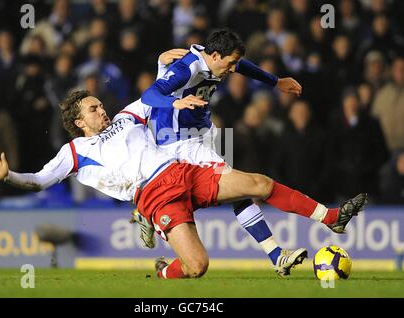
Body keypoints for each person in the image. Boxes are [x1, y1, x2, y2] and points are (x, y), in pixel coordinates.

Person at [0, 90, 367, 279]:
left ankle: (329, 217)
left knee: (258, 183)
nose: (102, 109)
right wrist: (7, 177)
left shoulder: (128, 116)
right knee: (197, 266)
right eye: (94, 108)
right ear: (79, 121)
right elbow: (38, 181)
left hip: (183, 171)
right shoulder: (74, 151)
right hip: (154, 195)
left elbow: (156, 92)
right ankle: (166, 270)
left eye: (100, 104)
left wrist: (176, 99)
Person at [129, 29, 304, 275]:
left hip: (194, 136)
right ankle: (276, 255)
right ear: (215, 55)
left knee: (236, 191)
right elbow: (149, 95)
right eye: (230, 62)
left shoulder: (211, 57)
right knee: (239, 188)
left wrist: (276, 82)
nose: (233, 68)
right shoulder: (189, 67)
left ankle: (276, 255)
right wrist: (175, 102)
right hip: (178, 141)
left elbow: (243, 66)